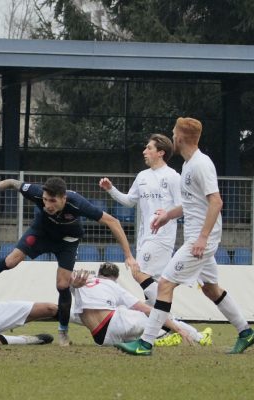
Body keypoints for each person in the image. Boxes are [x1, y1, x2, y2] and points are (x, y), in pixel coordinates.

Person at [116, 117, 254, 356]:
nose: (172, 136)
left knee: (165, 285)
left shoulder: (201, 164)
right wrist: (168, 215)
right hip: (199, 238)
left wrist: (202, 238)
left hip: (200, 241)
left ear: (180, 137)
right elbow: (192, 204)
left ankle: (145, 343)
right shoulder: (189, 166)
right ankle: (246, 332)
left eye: (173, 133)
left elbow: (216, 202)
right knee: (211, 288)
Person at [0, 176, 139, 346]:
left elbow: (113, 221)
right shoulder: (37, 193)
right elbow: (11, 182)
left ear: (64, 198)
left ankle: (63, 331)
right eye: (45, 200)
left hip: (67, 241)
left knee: (63, 285)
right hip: (41, 233)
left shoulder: (77, 203)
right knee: (11, 260)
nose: (47, 205)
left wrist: (128, 255)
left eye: (52, 201)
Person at [99, 134, 181, 306]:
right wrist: (111, 189)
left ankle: (172, 321)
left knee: (138, 272)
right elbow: (129, 201)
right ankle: (158, 329)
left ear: (161, 152)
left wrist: (167, 213)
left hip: (161, 236)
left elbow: (183, 207)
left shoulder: (172, 176)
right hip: (144, 236)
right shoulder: (142, 176)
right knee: (154, 283)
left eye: (149, 148)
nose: (144, 151)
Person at [70, 262, 212, 347]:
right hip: (114, 325)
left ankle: (161, 338)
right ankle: (199, 337)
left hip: (101, 339)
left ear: (99, 273)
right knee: (160, 315)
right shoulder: (113, 286)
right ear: (116, 278)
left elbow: (64, 292)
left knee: (122, 314)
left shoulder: (82, 283)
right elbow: (146, 309)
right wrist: (178, 329)